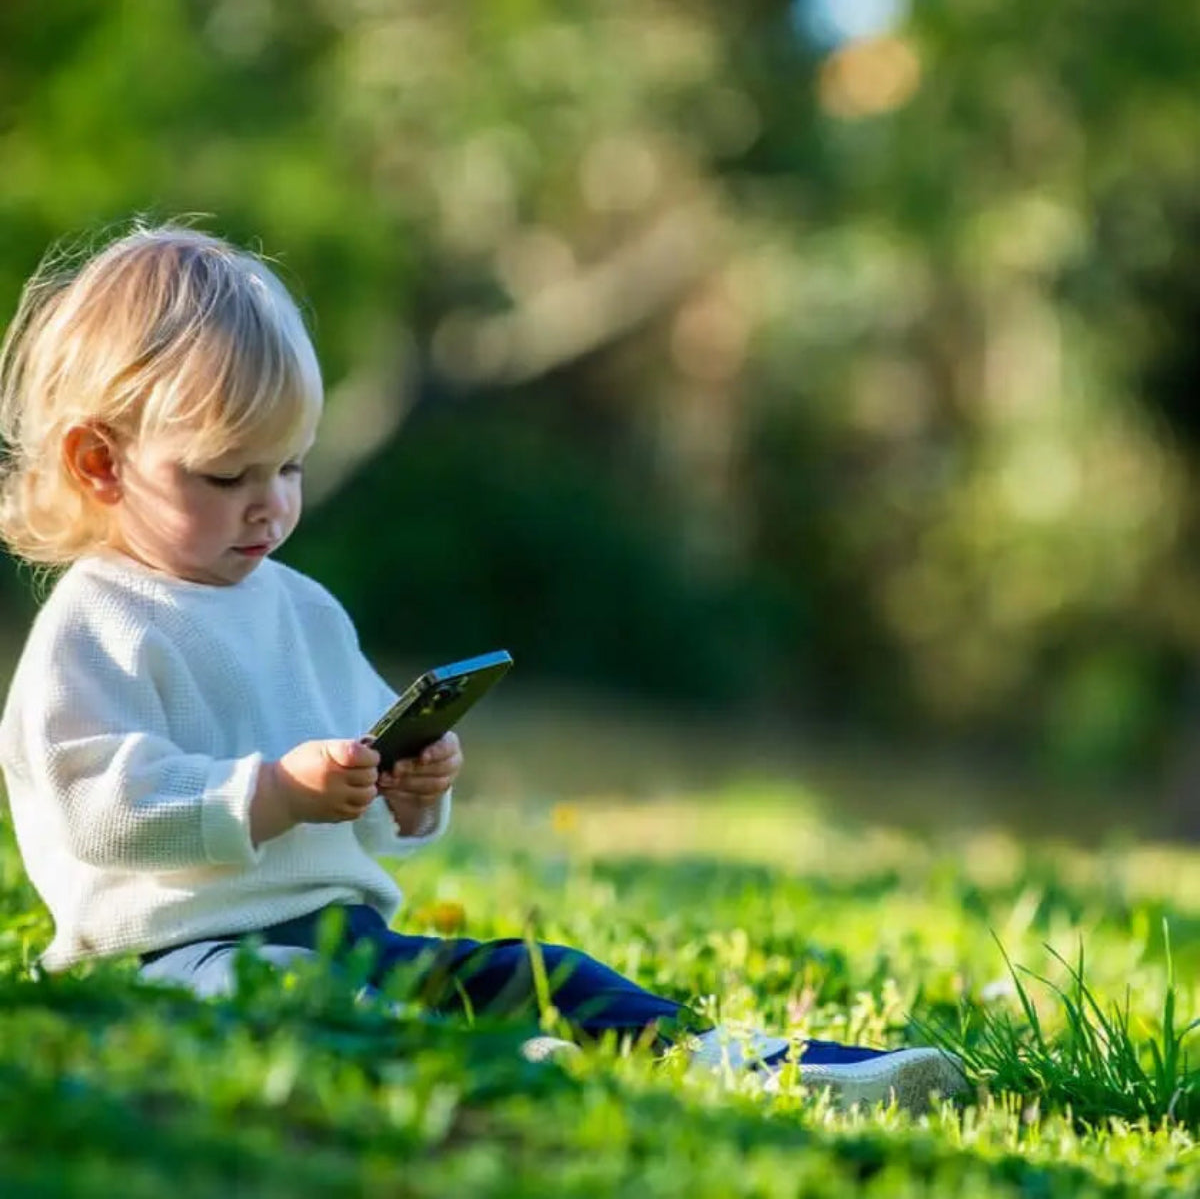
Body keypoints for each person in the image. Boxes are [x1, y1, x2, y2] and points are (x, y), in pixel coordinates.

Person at [0, 222, 964, 1113]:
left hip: (344, 932)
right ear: (100, 464)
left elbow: (364, 793)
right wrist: (275, 793)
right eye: (227, 476)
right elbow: (97, 808)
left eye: (289, 468)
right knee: (299, 998)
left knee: (541, 972)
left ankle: (760, 1065)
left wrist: (408, 793)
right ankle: (490, 1070)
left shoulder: (300, 608)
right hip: (172, 955)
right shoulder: (99, 623)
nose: (271, 507)